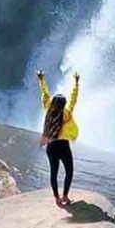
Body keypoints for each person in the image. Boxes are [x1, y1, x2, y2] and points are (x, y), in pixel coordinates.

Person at [36, 69, 80, 207]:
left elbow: (45, 94)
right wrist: (76, 83)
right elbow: (73, 99)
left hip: (51, 146)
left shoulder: (48, 109)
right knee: (69, 171)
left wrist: (41, 80)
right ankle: (65, 196)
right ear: (63, 104)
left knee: (53, 172)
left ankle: (56, 198)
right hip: (63, 146)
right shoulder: (66, 113)